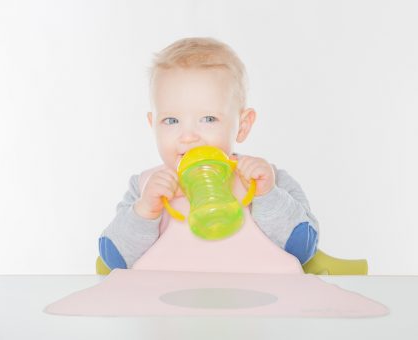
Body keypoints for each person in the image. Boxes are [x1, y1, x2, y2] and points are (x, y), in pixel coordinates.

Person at [98, 37, 319, 270]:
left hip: (254, 300)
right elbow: (114, 258)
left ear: (242, 125)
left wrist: (266, 195)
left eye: (209, 119)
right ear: (153, 125)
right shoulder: (144, 188)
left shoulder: (267, 179)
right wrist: (145, 211)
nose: (188, 136)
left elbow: (302, 247)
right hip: (168, 302)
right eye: (171, 120)